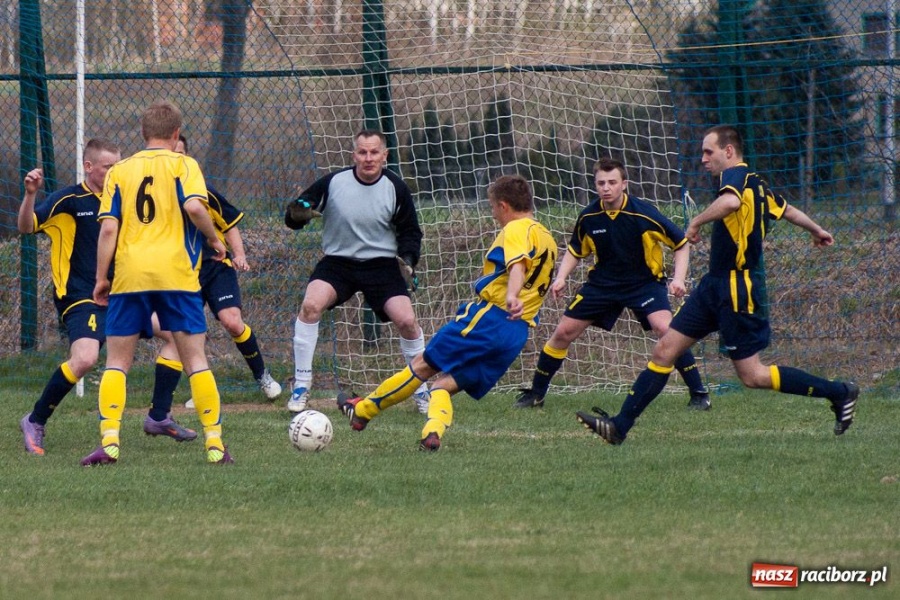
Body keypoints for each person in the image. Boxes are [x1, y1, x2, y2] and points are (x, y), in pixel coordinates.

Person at [576, 125, 859, 445]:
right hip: (714, 284)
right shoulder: (758, 185)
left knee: (753, 376)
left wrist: (696, 222)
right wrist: (816, 230)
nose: (703, 158)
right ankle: (619, 426)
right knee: (665, 348)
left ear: (728, 151)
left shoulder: (735, 176)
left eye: (708, 151)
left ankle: (839, 392)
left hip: (737, 286)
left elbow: (730, 204)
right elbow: (788, 210)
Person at [338, 174, 558, 451]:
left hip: (490, 318)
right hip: (517, 333)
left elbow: (518, 266)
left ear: (503, 205)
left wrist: (512, 295)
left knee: (422, 365)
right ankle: (432, 433)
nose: (493, 214)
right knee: (443, 386)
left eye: (492, 207)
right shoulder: (547, 237)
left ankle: (363, 411)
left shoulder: (516, 229)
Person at [17, 138, 195, 456]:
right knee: (85, 358)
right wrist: (31, 195)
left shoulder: (124, 197)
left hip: (124, 294)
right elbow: (26, 226)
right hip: (81, 296)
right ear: (89, 167)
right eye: (108, 167)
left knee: (179, 335)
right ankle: (34, 419)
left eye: (117, 165)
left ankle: (158, 416)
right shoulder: (69, 200)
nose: (114, 171)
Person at [81, 100, 233, 465]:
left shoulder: (122, 170)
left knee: (118, 361)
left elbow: (108, 228)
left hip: (131, 274)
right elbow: (196, 208)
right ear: (176, 133)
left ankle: (111, 441)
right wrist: (214, 238)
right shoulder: (185, 164)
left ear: (143, 133)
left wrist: (102, 278)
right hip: (176, 275)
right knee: (195, 358)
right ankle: (214, 443)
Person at [515, 157, 709, 410]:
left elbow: (681, 244)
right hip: (602, 285)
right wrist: (561, 277)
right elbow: (575, 249)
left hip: (644, 284)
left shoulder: (643, 213)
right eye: (601, 183)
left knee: (666, 330)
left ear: (624, 184)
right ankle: (536, 395)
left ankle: (699, 394)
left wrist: (678, 279)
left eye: (612, 182)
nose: (606, 188)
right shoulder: (589, 216)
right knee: (563, 332)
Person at [284, 129, 430, 414]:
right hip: (338, 263)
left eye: (374, 152)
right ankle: (301, 385)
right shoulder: (333, 182)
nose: (368, 158)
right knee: (310, 305)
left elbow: (411, 232)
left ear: (384, 155)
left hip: (382, 265)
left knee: (408, 321)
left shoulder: (395, 188)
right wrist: (296, 215)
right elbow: (297, 213)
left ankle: (421, 388)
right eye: (362, 152)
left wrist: (409, 259)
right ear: (354, 155)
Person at [151, 134, 280, 410]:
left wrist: (240, 254)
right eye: (173, 154)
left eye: (182, 153)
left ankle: (262, 375)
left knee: (232, 322)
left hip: (215, 266)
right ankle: (201, 389)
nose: (178, 159)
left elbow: (230, 223)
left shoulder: (201, 191)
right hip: (181, 272)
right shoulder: (155, 197)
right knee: (190, 334)